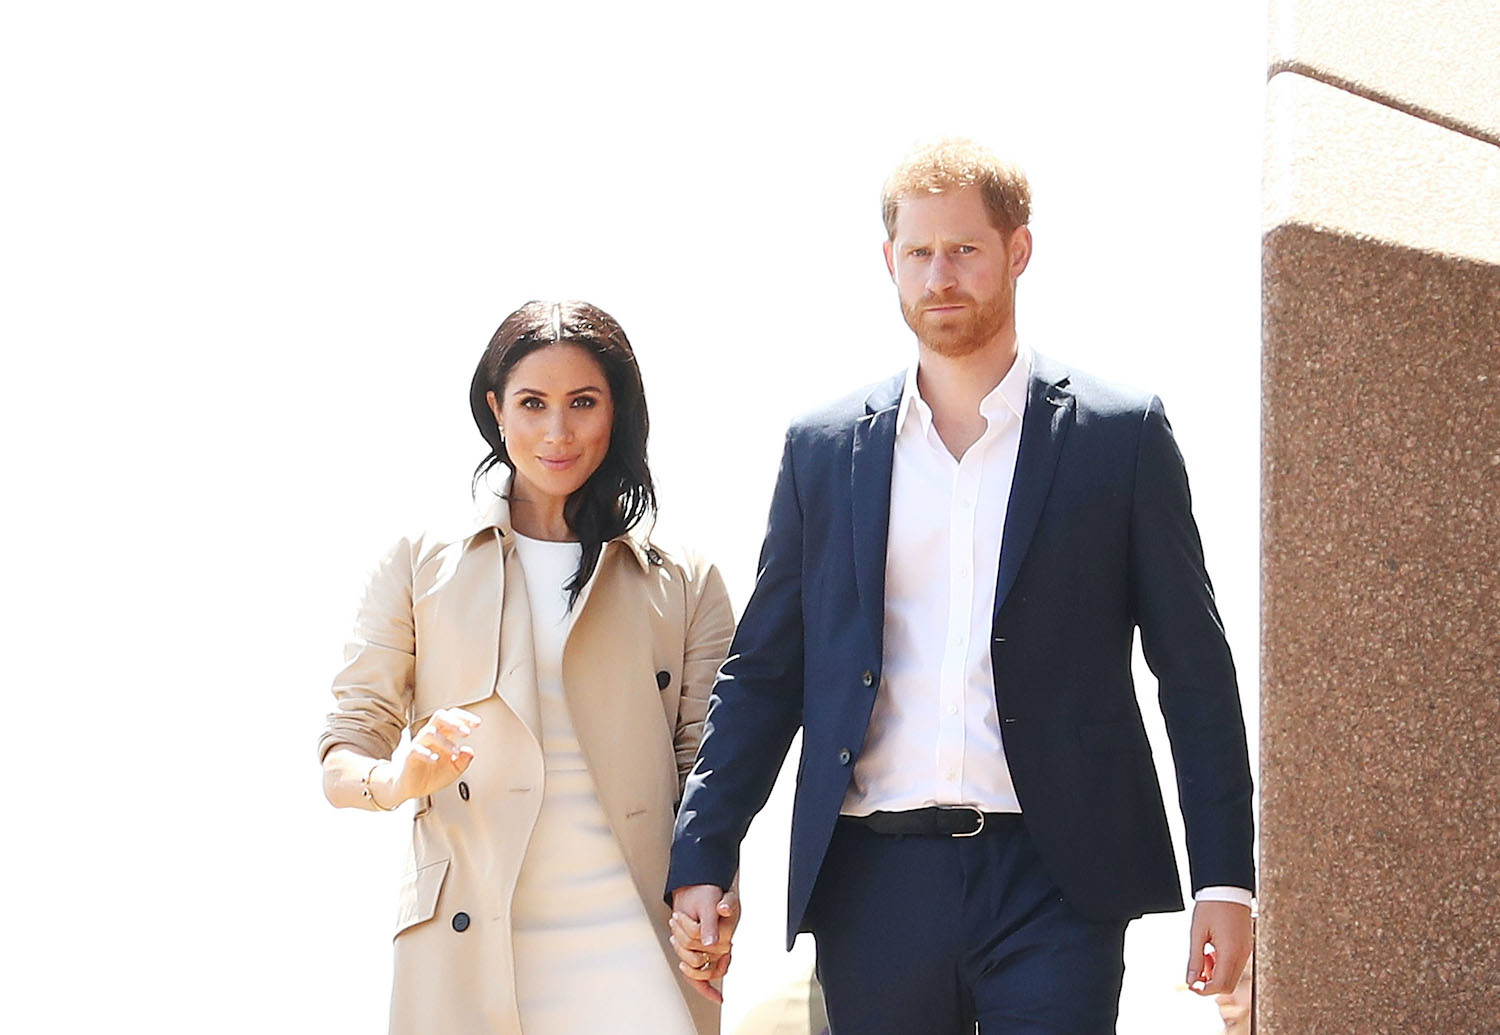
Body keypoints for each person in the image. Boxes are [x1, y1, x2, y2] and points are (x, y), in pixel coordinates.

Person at [667, 140, 1255, 1032]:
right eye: (918, 252)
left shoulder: (1119, 435)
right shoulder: (824, 451)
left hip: (1057, 878)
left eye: (965, 249)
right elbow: (764, 674)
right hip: (873, 877)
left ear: (1018, 251)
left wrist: (1226, 876)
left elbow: (1195, 672)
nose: (940, 274)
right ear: (889, 261)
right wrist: (704, 850)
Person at [319, 300, 738, 1034]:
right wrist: (397, 778)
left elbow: (713, 773)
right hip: (469, 949)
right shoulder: (419, 564)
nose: (557, 431)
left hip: (635, 945)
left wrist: (719, 894)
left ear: (618, 411)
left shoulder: (686, 580)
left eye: (583, 402)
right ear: (495, 408)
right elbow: (343, 751)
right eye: (533, 403)